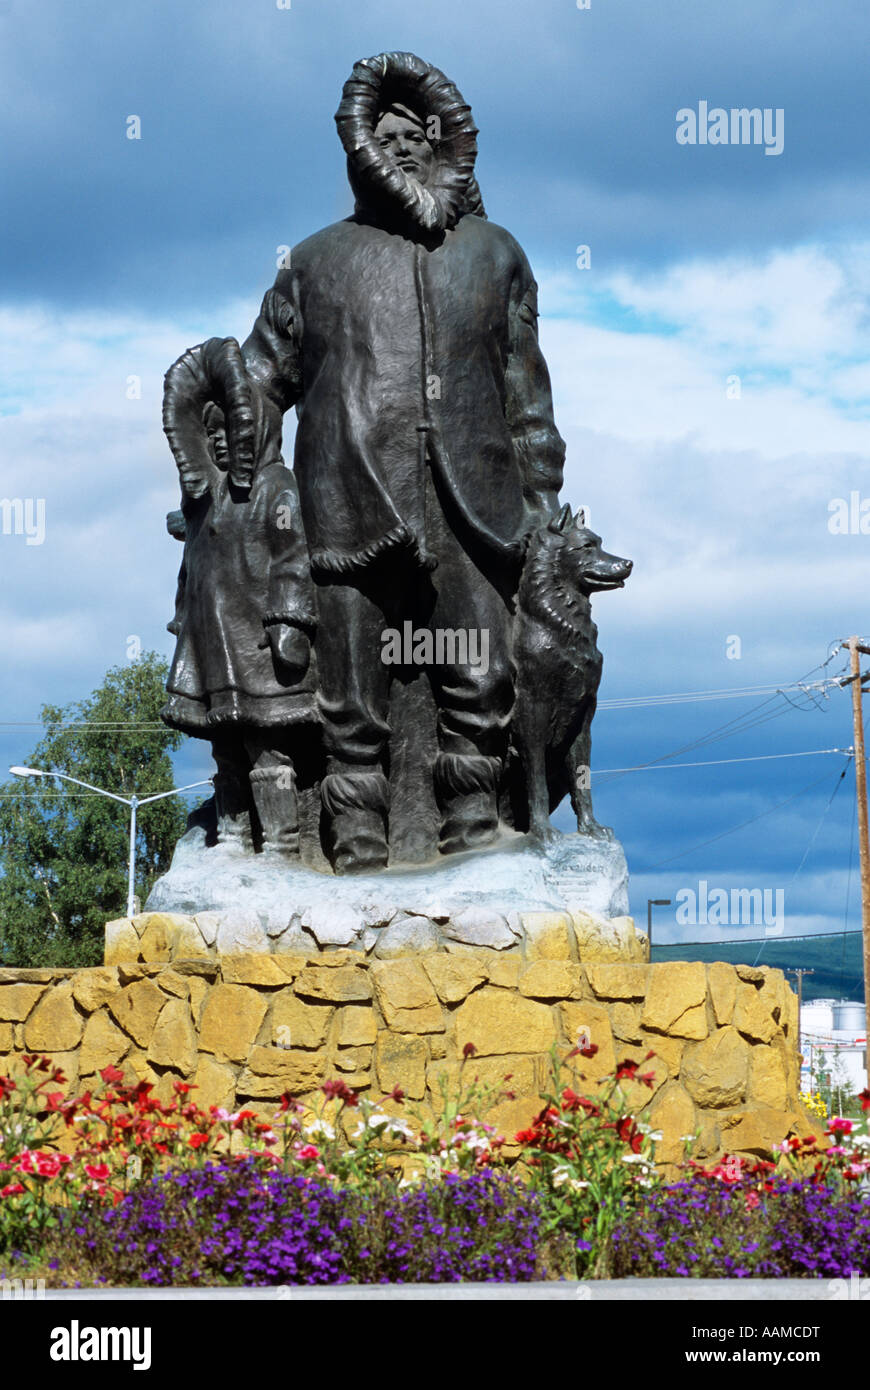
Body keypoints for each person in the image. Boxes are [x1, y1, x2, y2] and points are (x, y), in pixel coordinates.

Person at [162, 52, 567, 874]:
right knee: (350, 682)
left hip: (473, 503)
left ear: (442, 141)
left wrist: (542, 494)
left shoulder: (496, 253)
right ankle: (354, 838)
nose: (405, 148)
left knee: (473, 668)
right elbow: (262, 381)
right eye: (387, 135)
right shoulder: (311, 263)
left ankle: (474, 829)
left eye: (419, 134)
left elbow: (528, 390)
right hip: (344, 501)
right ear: (360, 150)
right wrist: (205, 435)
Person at [161, 345, 317, 857]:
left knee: (264, 744)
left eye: (229, 433)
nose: (220, 444)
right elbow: (193, 567)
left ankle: (281, 842)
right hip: (211, 637)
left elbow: (292, 557)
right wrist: (182, 617)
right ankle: (231, 834)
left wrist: (289, 619)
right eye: (211, 437)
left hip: (255, 638)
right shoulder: (202, 496)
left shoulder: (276, 487)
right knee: (224, 745)